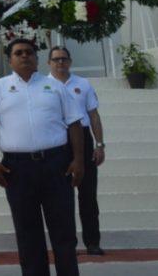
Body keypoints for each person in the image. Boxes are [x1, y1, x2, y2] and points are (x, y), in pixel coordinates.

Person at [0, 39, 85, 276]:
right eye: (18, 53)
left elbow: (74, 123)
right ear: (10, 60)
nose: (24, 56)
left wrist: (78, 160)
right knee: (27, 233)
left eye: (29, 52)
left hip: (56, 165)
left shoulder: (55, 86)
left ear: (37, 58)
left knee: (64, 231)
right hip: (17, 169)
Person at [47, 47, 106, 256]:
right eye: (56, 60)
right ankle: (66, 244)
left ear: (70, 61)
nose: (60, 63)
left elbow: (94, 115)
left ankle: (92, 242)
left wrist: (100, 144)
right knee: (60, 198)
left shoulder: (83, 84)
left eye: (64, 59)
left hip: (83, 140)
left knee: (88, 195)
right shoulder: (43, 86)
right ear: (49, 63)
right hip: (58, 142)